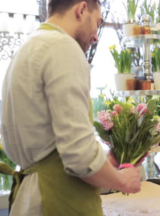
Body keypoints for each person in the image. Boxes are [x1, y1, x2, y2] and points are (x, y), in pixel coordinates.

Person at [0, 0, 142, 215]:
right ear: (81, 9)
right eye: (97, 22)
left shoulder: (27, 49)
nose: (96, 36)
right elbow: (79, 157)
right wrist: (123, 181)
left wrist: (104, 161)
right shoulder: (63, 47)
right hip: (58, 200)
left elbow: (52, 148)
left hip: (31, 198)